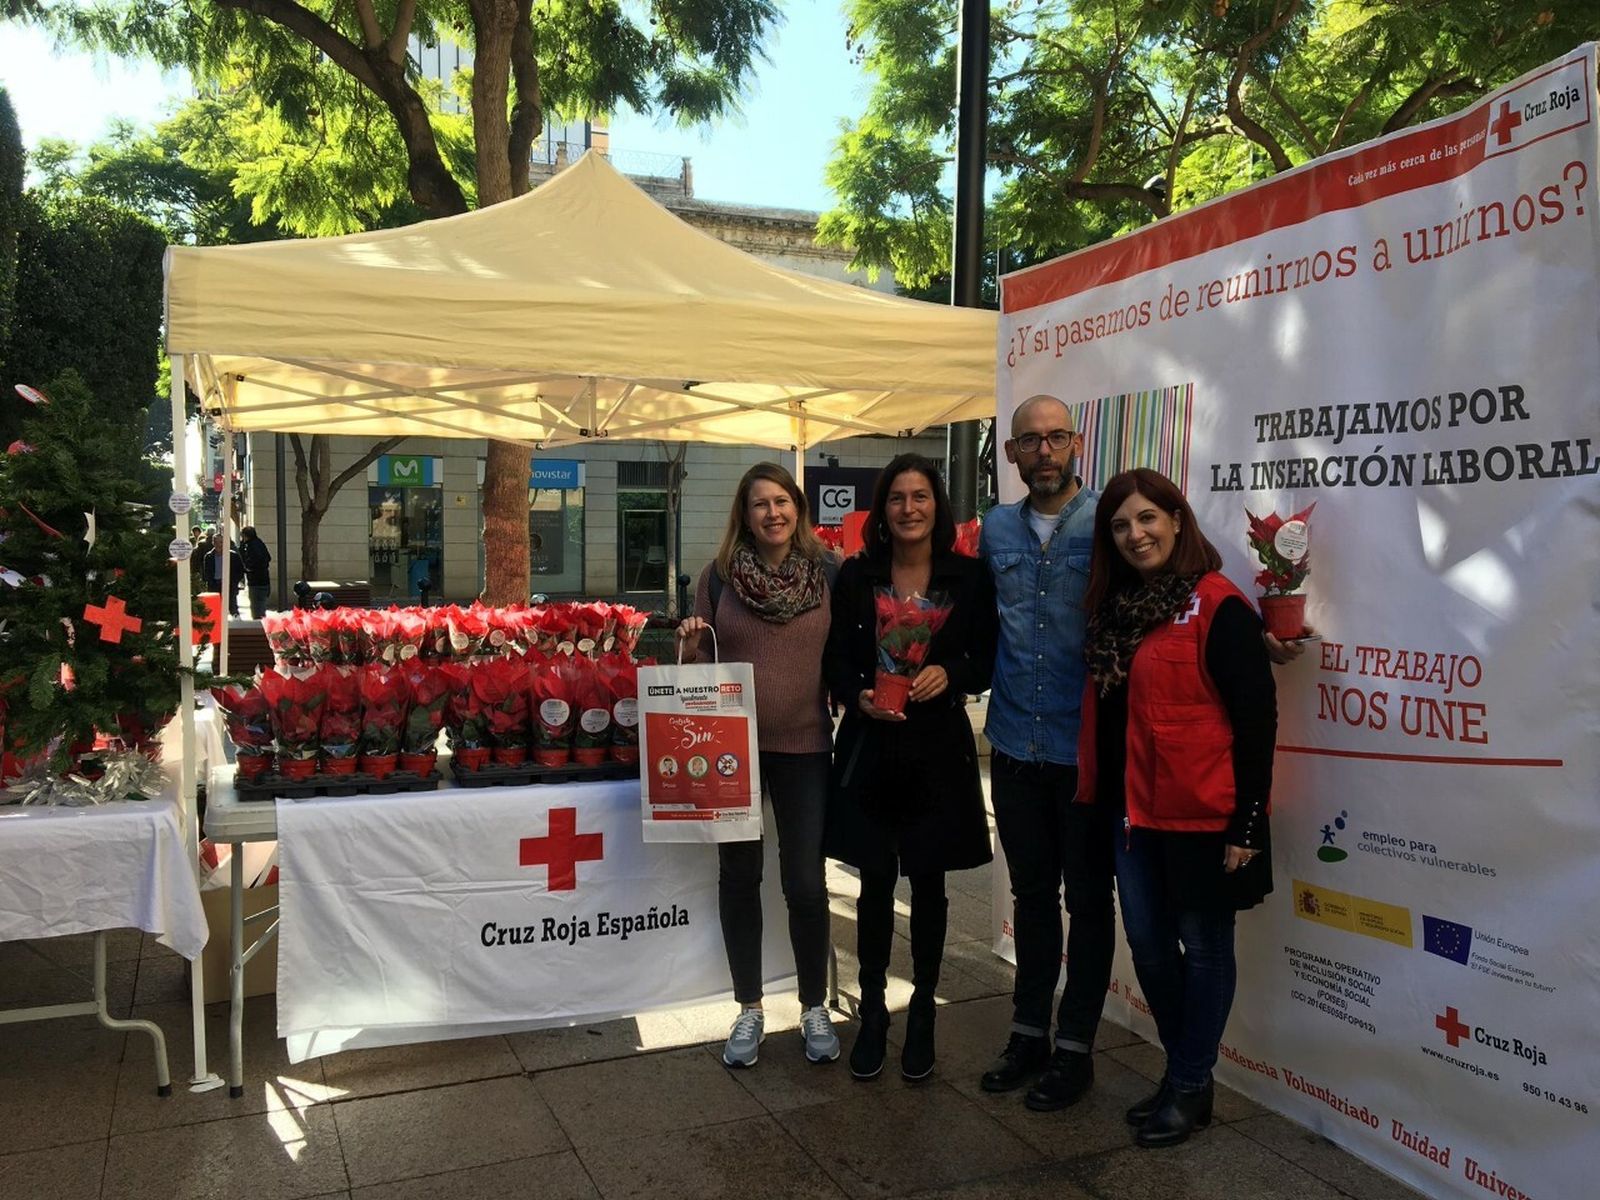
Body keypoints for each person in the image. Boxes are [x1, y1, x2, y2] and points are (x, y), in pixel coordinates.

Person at [1077, 468, 1277, 1148]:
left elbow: (1256, 716)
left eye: (1147, 519)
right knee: (1152, 952)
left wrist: (1249, 818)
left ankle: (1187, 1085)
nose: (1135, 534)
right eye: (1121, 525)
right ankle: (1188, 1074)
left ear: (1177, 521)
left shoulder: (1216, 602)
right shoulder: (1114, 610)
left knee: (1207, 950)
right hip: (1132, 815)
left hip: (1204, 814)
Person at [823, 454, 996, 1082]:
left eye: (920, 496)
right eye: (897, 497)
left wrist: (953, 673)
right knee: (873, 884)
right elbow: (836, 658)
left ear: (937, 505)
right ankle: (874, 1012)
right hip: (873, 747)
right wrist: (858, 693)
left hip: (936, 751)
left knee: (929, 885)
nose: (909, 509)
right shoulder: (857, 576)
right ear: (883, 509)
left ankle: (922, 1007)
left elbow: (987, 657)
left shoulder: (969, 577)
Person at [976, 393, 1118, 1111]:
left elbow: (1166, 594)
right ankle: (1028, 1031)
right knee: (1032, 897)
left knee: (1089, 902)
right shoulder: (995, 529)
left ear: (1077, 442)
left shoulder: (1109, 522)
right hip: (1013, 742)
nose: (1043, 452)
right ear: (1011, 455)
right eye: (1029, 442)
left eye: (1055, 437)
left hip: (1082, 750)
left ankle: (1075, 1049)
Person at [677, 463, 841, 1069]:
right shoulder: (718, 579)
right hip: (731, 752)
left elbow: (843, 655)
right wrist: (691, 650)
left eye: (781, 501)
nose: (772, 513)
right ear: (743, 516)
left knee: (804, 881)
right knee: (739, 877)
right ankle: (748, 1007)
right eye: (758, 504)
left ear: (797, 508)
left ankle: (813, 1005)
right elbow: (698, 676)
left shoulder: (828, 573)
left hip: (805, 747)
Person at [200, 531, 244, 617]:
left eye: (221, 542)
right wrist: (209, 581)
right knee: (215, 609)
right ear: (213, 543)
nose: (219, 545)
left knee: (232, 606)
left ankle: (234, 623)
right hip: (214, 585)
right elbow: (206, 571)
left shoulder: (233, 556)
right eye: (216, 542)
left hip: (229, 585)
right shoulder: (209, 556)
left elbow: (240, 570)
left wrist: (234, 581)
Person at [239, 526, 273, 619]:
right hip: (264, 580)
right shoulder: (260, 543)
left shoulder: (250, 546)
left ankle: (259, 628)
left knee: (256, 609)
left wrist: (249, 569)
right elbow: (268, 558)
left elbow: (249, 561)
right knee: (261, 606)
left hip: (255, 581)